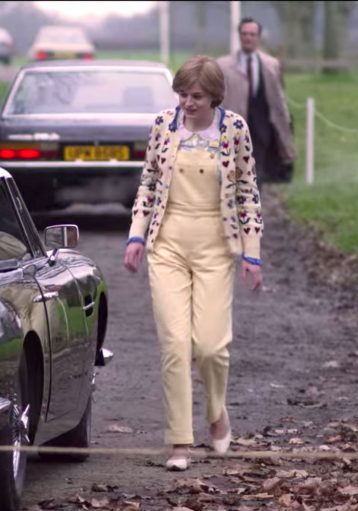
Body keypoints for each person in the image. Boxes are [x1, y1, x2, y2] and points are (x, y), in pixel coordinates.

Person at [123, 56, 264, 471]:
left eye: (196, 96)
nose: (187, 102)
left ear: (214, 96)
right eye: (183, 94)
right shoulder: (163, 126)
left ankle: (217, 413)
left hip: (216, 246)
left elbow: (247, 191)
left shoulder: (234, 129)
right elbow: (148, 181)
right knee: (174, 345)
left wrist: (251, 253)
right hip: (166, 244)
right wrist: (136, 233)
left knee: (210, 346)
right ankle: (179, 442)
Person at [217, 18, 296, 183]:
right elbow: (217, 100)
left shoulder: (271, 65)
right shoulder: (223, 66)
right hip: (234, 131)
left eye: (252, 34)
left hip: (262, 131)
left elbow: (278, 100)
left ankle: (253, 206)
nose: (248, 38)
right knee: (232, 174)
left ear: (259, 37)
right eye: (245, 34)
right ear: (239, 36)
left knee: (257, 174)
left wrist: (285, 131)